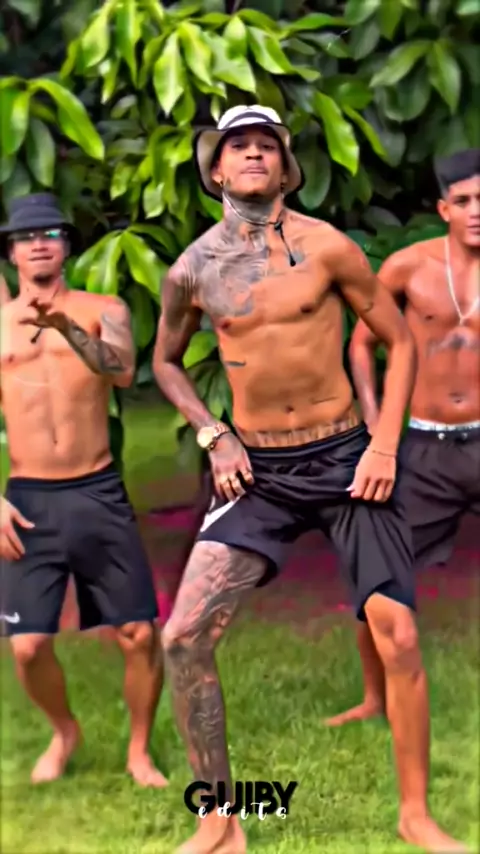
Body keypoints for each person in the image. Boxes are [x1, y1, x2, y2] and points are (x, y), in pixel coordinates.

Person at [153, 105, 466, 854]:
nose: (253, 154)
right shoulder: (192, 269)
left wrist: (383, 447)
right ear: (216, 169)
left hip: (346, 458)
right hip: (258, 471)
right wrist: (213, 433)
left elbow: (398, 342)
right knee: (183, 638)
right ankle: (219, 822)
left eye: (267, 145)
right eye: (238, 146)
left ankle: (415, 816)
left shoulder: (328, 247)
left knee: (397, 635)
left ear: (286, 169)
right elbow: (164, 362)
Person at [0, 194, 166, 787]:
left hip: (97, 490)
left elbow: (122, 371)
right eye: (27, 237)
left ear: (66, 246)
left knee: (138, 634)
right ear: (12, 253)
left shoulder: (104, 309)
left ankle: (139, 751)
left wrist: (66, 327)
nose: (39, 245)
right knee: (27, 646)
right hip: (28, 497)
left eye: (50, 233)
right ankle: (64, 731)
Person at [326, 149, 480, 729]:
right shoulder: (407, 267)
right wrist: (374, 423)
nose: (475, 210)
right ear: (444, 209)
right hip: (422, 446)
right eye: (463, 201)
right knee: (376, 574)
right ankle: (374, 697)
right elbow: (362, 343)